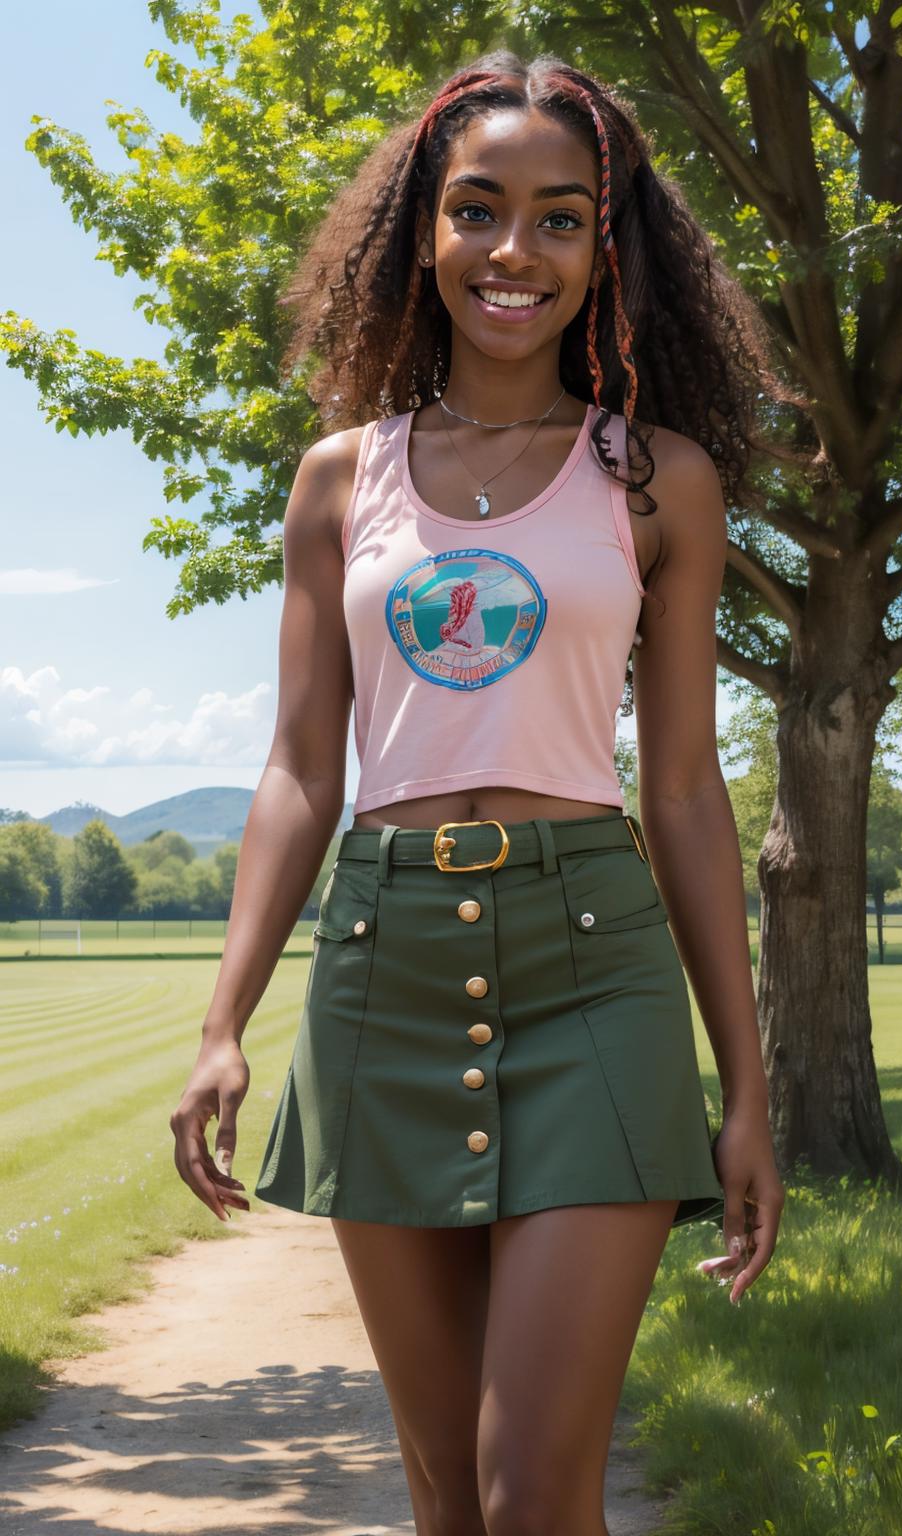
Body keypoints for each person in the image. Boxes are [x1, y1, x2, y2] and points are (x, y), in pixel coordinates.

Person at [170, 50, 786, 1536]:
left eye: (561, 218)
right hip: (382, 970)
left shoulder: (657, 481)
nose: (516, 251)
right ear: (422, 234)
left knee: (530, 1495)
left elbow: (689, 791)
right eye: (480, 210)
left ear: (607, 249)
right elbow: (300, 770)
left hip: (595, 971)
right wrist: (220, 1025)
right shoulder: (340, 482)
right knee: (446, 1497)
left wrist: (748, 1083)